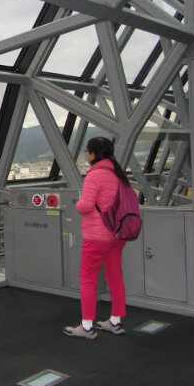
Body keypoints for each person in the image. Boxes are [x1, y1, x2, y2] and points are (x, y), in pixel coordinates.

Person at [63, 137, 129, 340]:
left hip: (97, 237)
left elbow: (86, 206)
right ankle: (115, 321)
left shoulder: (95, 176)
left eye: (87, 151)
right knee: (115, 278)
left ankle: (87, 326)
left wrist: (78, 204)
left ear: (92, 153)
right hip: (116, 235)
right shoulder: (117, 174)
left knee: (88, 279)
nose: (86, 154)